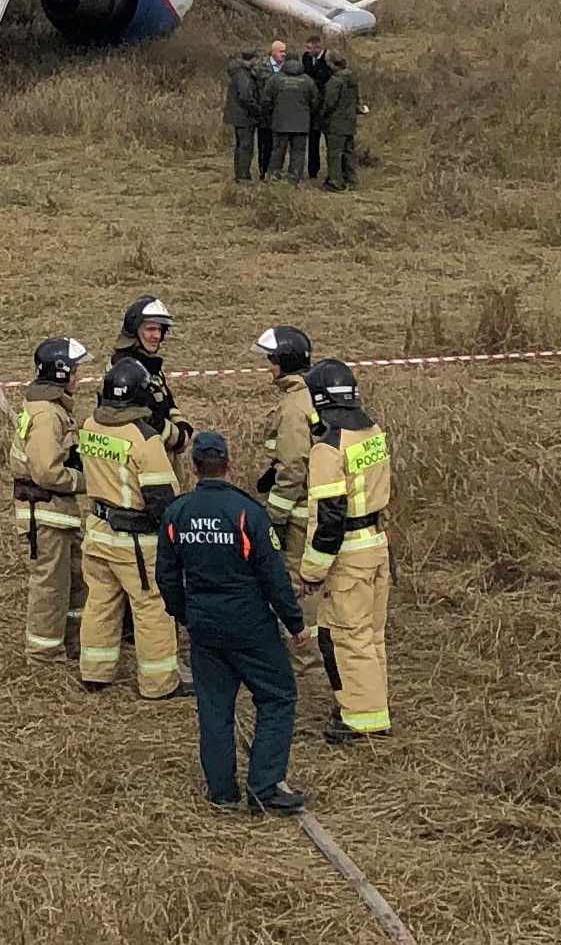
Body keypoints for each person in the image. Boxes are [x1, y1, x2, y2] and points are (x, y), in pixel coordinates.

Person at [158, 430, 313, 814]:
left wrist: (184, 614)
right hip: (251, 627)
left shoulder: (177, 513)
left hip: (205, 628)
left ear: (194, 466)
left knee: (214, 710)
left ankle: (222, 793)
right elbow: (274, 577)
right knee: (277, 697)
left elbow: (166, 575)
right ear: (228, 464)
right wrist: (295, 623)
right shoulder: (248, 513)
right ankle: (265, 786)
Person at [74, 357, 183, 699]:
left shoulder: (90, 425)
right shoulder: (144, 439)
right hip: (135, 542)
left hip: (97, 531)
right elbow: (163, 499)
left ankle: (95, 672)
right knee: (152, 607)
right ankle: (159, 684)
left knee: (100, 602)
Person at [298, 360, 395, 740]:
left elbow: (329, 518)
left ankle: (361, 719)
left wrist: (312, 572)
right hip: (376, 544)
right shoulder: (372, 432)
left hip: (349, 556)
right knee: (371, 635)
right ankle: (372, 704)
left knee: (347, 638)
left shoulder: (329, 448)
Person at [7, 335, 92, 662]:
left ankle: (71, 642)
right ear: (60, 372)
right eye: (74, 371)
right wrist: (85, 481)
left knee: (73, 581)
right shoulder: (47, 415)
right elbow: (46, 471)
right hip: (46, 514)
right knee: (51, 586)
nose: (78, 377)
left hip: (53, 513)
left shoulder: (49, 407)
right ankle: (43, 654)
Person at [252, 326, 320, 572]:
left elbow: (293, 467)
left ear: (285, 361)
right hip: (319, 509)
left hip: (300, 517)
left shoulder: (293, 407)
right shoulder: (314, 393)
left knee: (295, 579)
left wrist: (274, 518)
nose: (269, 367)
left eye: (272, 360)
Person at [113, 295, 191, 454]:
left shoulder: (149, 364)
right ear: (134, 331)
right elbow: (140, 420)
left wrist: (181, 424)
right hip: (141, 457)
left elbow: (166, 401)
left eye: (160, 330)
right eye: (150, 329)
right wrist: (178, 438)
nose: (157, 336)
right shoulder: (124, 371)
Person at [262, 56, 317, 182]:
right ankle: (294, 177)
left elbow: (266, 101)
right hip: (301, 123)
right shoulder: (308, 81)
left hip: (280, 122)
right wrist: (308, 114)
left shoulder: (275, 79)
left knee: (278, 150)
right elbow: (315, 101)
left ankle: (274, 175)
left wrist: (271, 115)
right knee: (298, 151)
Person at [318, 51, 362, 191]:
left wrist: (322, 115)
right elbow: (357, 100)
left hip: (336, 122)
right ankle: (351, 180)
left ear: (332, 64)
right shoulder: (352, 79)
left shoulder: (335, 81)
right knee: (348, 152)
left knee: (334, 153)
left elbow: (329, 102)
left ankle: (335, 182)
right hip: (350, 121)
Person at [222, 51, 263, 182]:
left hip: (237, 115)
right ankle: (243, 176)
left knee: (240, 145)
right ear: (252, 60)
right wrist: (257, 109)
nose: (259, 63)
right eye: (257, 60)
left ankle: (240, 173)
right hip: (244, 116)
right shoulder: (243, 75)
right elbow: (245, 97)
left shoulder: (238, 71)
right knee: (246, 146)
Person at [300, 38, 333, 178]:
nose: (307, 51)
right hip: (311, 104)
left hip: (324, 103)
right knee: (313, 138)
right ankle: (313, 169)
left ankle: (332, 170)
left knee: (328, 138)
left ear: (317, 48)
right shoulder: (306, 58)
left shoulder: (328, 59)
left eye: (310, 48)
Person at [257, 40, 288, 176]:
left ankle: (275, 170)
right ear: (273, 52)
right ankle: (263, 170)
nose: (283, 54)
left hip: (281, 111)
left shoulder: (287, 68)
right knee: (265, 143)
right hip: (266, 111)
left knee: (279, 144)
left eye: (285, 51)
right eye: (281, 51)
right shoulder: (263, 67)